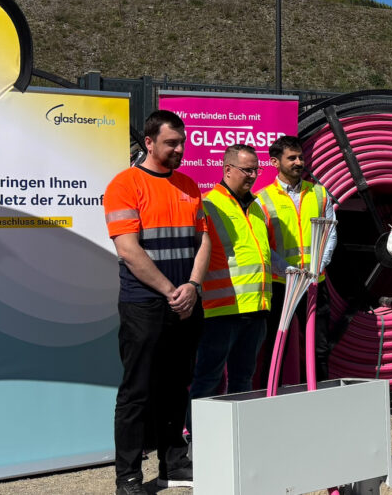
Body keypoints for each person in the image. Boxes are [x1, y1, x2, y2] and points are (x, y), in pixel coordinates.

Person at [104, 110, 209, 495]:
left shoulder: (189, 185)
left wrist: (194, 285)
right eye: (171, 143)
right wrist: (172, 291)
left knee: (177, 386)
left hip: (186, 302)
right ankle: (128, 476)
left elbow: (204, 242)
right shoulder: (125, 184)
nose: (180, 149)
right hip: (145, 305)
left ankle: (174, 465)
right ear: (149, 143)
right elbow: (129, 250)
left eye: (182, 142)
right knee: (137, 391)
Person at [187, 145, 272, 424]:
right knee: (208, 379)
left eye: (256, 170)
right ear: (227, 170)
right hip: (221, 310)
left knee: (243, 379)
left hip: (256, 309)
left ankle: (237, 438)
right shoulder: (209, 205)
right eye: (246, 170)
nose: (253, 175)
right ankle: (195, 439)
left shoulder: (257, 207)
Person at [256, 135, 337, 384]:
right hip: (283, 286)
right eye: (291, 158)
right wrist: (289, 271)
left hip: (315, 283)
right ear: (275, 162)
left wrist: (318, 267)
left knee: (319, 348)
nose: (299, 162)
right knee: (275, 348)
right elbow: (263, 246)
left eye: (300, 157)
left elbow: (331, 233)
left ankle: (319, 399)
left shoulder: (320, 193)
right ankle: (272, 400)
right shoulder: (261, 199)